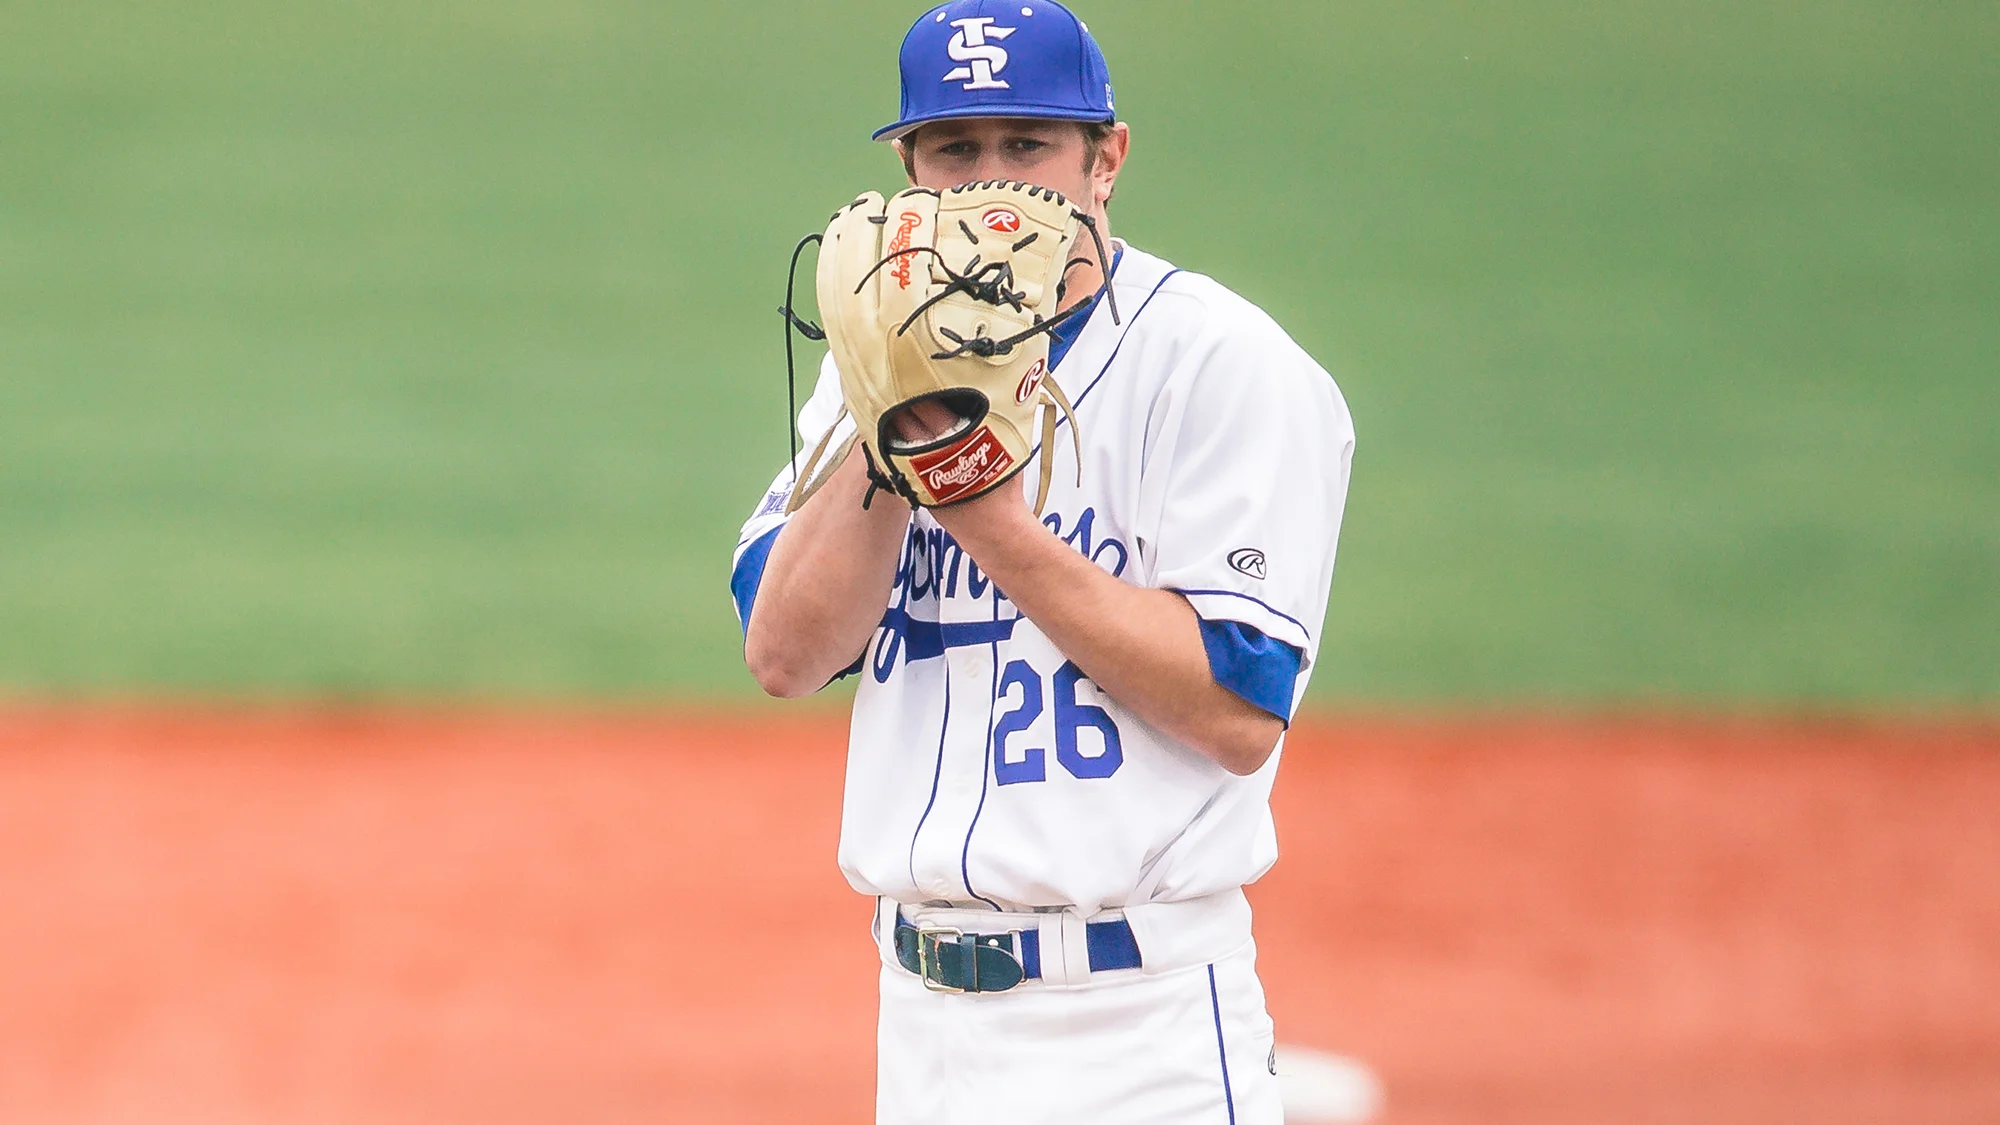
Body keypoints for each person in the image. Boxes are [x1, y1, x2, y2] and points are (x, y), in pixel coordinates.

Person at [730, 2, 1354, 1120]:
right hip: (920, 1033)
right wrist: (889, 433)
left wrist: (983, 513)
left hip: (1140, 1033)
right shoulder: (874, 359)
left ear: (1104, 159)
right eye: (955, 152)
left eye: (1028, 148)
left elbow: (1236, 706)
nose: (991, 185)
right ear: (908, 172)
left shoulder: (1221, 367)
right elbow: (783, 651)